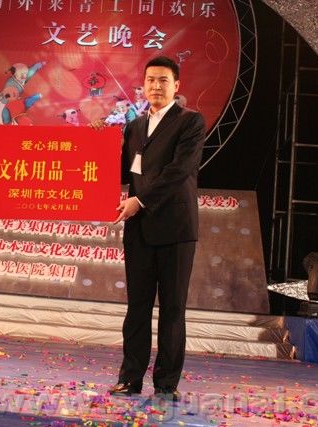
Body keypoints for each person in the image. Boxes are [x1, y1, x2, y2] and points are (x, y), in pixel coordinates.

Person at [98, 56, 206, 400]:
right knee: (137, 309)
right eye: (150, 80)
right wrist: (93, 146)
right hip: (139, 230)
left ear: (176, 86)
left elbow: (179, 170)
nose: (156, 86)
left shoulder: (190, 122)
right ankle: (130, 379)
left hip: (176, 229)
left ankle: (166, 384)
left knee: (172, 309)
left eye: (163, 80)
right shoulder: (134, 126)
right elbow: (120, 170)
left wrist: (140, 201)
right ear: (143, 85)